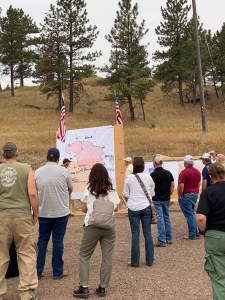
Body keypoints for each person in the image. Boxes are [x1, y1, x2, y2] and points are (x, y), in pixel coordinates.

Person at [73, 163, 120, 298]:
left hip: (92, 226)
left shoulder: (89, 190)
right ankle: (102, 287)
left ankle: (84, 287)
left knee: (84, 255)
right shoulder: (112, 191)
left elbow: (83, 209)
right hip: (109, 227)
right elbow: (116, 208)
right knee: (107, 258)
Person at [0, 142, 39, 300]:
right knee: (26, 254)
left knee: (1, 255)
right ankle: (26, 292)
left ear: (3, 155)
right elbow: (32, 193)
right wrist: (35, 213)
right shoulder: (26, 168)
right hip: (22, 215)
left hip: (2, 216)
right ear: (17, 153)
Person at [35, 148, 73, 280]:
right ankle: (57, 271)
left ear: (46, 157)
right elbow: (70, 188)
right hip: (60, 212)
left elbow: (34, 191)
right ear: (58, 159)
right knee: (58, 241)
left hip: (44, 211)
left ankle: (37, 271)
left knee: (42, 241)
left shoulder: (37, 172)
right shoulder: (64, 171)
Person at [196, 163, 225, 300]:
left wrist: (203, 231)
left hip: (215, 235)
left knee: (219, 277)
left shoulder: (208, 192)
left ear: (210, 176)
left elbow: (201, 218)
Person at [123, 156, 155, 267]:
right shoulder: (149, 177)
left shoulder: (129, 178)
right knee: (148, 234)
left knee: (135, 234)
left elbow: (125, 194)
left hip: (133, 207)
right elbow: (152, 194)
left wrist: (129, 203)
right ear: (143, 166)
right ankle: (150, 260)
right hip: (146, 207)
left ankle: (135, 261)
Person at [150, 154, 175, 247]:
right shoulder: (168, 173)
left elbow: (150, 188)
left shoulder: (153, 175)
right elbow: (172, 186)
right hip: (166, 199)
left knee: (160, 219)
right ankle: (169, 238)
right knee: (167, 218)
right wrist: (169, 195)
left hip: (157, 199)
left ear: (155, 163)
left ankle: (162, 240)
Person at [178, 155, 201, 240]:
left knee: (189, 215)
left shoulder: (183, 173)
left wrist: (179, 195)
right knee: (192, 213)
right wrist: (196, 192)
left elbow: (181, 186)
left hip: (186, 195)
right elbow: (198, 183)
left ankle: (192, 234)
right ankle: (196, 232)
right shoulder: (197, 172)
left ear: (186, 162)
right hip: (194, 194)